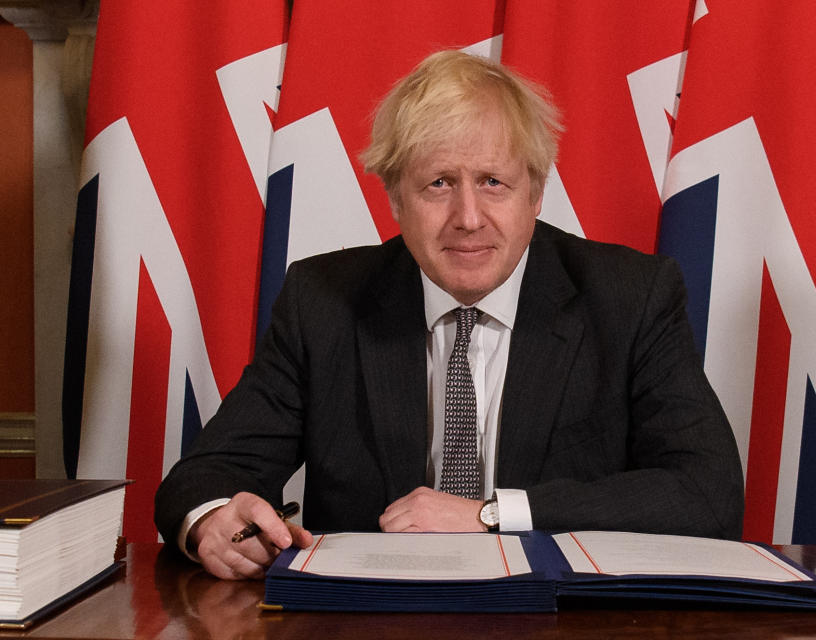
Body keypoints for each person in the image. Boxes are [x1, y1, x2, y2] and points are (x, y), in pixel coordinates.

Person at [154, 50, 744, 580]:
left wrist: (495, 515)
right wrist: (214, 522)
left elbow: (707, 492)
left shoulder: (629, 296)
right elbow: (206, 474)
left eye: (493, 182)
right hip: (369, 623)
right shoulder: (324, 300)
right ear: (394, 198)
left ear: (535, 193)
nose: (468, 217)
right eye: (438, 183)